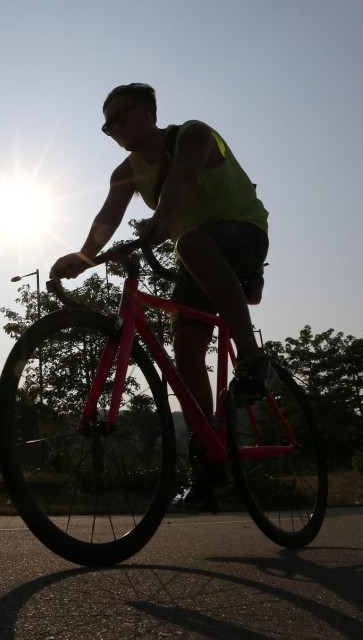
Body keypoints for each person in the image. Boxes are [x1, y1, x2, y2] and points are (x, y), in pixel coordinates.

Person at [50, 83, 272, 511]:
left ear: (150, 112)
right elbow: (107, 218)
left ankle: (252, 359)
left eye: (120, 117)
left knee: (188, 243)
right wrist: (83, 257)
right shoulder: (125, 172)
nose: (113, 128)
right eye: (106, 124)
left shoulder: (193, 134)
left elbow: (183, 179)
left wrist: (161, 220)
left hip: (242, 230)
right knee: (185, 348)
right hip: (197, 250)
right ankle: (210, 464)